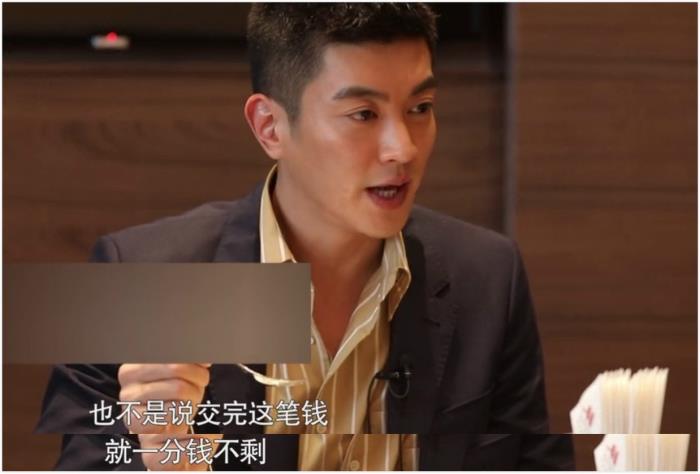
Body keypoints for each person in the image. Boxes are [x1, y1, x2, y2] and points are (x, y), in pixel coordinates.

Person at [37, 4, 574, 470]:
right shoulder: (141, 277)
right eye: (363, 114)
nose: (403, 149)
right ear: (270, 126)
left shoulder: (487, 277)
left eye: (420, 109)